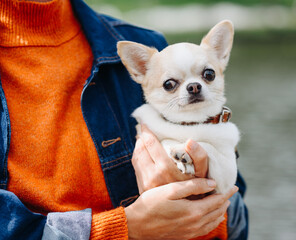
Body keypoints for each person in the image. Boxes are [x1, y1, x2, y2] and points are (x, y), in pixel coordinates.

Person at [0, 0, 248, 239]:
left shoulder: (148, 45)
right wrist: (126, 228)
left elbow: (236, 215)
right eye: (171, 84)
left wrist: (201, 198)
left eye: (207, 75)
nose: (194, 88)